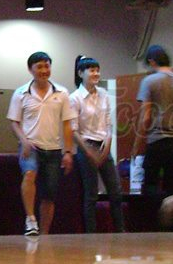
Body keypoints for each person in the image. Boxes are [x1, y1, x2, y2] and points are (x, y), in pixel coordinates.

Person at [7, 52, 74, 239]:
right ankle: (30, 219)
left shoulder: (62, 93)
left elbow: (67, 124)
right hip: (31, 146)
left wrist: (68, 151)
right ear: (31, 70)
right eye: (39, 67)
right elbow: (14, 122)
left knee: (50, 193)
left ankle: (44, 233)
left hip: (53, 148)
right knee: (29, 174)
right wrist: (24, 140)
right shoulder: (21, 93)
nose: (44, 70)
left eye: (47, 66)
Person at [134, 44, 173, 229]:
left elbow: (146, 117)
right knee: (171, 186)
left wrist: (137, 144)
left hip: (157, 141)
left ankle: (157, 224)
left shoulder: (149, 82)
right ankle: (170, 227)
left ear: (151, 61)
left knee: (149, 187)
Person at [69, 55, 124, 233]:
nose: (96, 74)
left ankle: (120, 231)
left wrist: (107, 144)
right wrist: (88, 151)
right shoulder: (75, 98)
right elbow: (73, 130)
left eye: (97, 70)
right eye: (92, 70)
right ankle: (91, 235)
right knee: (91, 195)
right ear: (81, 73)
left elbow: (108, 122)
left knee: (115, 192)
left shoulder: (103, 94)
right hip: (86, 146)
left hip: (103, 145)